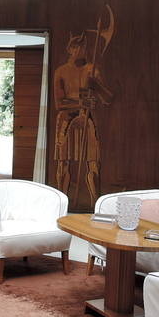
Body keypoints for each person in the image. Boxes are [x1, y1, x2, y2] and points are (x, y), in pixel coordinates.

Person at [53, 32, 112, 204]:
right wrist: (81, 103)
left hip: (88, 119)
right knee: (63, 162)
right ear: (70, 49)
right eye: (78, 46)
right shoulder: (61, 72)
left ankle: (95, 203)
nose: (82, 50)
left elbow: (107, 99)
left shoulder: (92, 70)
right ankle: (61, 202)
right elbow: (59, 104)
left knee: (93, 162)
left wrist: (97, 85)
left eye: (84, 46)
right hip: (66, 120)